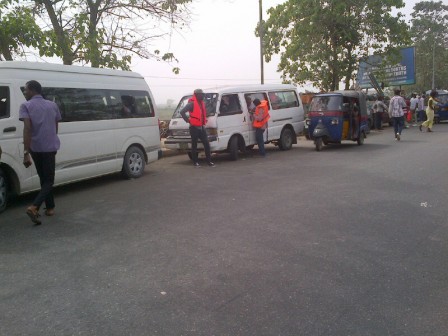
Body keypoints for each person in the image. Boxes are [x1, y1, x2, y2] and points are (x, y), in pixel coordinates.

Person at [19, 80, 62, 224]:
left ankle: (50, 208)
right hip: (50, 148)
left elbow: (27, 129)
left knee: (44, 178)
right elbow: (56, 127)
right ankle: (34, 206)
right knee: (49, 180)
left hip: (35, 148)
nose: (24, 92)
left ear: (32, 90)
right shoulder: (52, 105)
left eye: (25, 90)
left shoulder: (25, 106)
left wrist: (26, 152)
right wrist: (52, 141)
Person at [179, 89, 214, 167]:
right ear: (196, 95)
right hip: (194, 127)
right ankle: (195, 162)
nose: (202, 96)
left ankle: (209, 161)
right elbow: (182, 112)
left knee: (206, 144)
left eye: (202, 94)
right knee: (194, 145)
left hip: (201, 127)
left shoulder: (202, 103)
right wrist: (188, 121)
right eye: (201, 94)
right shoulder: (191, 104)